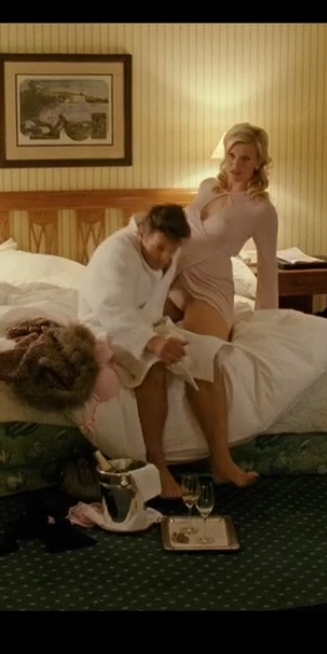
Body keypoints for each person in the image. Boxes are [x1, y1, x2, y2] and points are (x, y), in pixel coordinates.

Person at [164, 122, 279, 489]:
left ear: (259, 161)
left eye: (246, 158)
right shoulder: (207, 187)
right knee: (129, 330)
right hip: (172, 279)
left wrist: (266, 322)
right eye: (231, 155)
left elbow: (267, 268)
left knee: (199, 357)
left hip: (209, 289)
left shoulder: (261, 209)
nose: (236, 164)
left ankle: (222, 462)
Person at [78, 204, 195, 498]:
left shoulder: (168, 249)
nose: (165, 258)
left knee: (205, 357)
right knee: (152, 368)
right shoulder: (117, 252)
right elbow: (112, 309)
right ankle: (158, 465)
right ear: (142, 232)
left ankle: (222, 459)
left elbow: (155, 299)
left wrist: (162, 332)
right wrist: (153, 342)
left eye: (172, 250)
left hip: (147, 322)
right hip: (106, 325)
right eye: (159, 249)